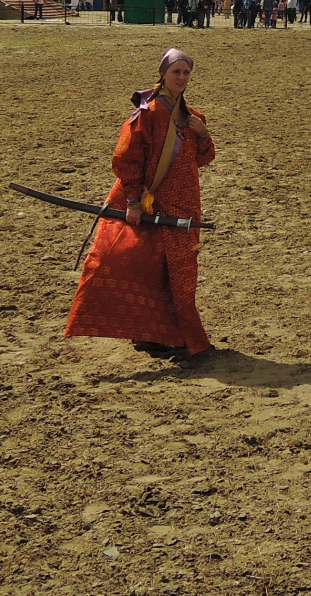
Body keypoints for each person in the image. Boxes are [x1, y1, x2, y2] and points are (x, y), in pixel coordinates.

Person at [65, 48, 215, 362]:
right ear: (163, 74)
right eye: (176, 72)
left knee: (178, 272)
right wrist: (133, 201)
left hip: (185, 208)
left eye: (186, 73)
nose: (181, 78)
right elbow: (126, 158)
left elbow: (204, 158)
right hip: (151, 205)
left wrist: (203, 135)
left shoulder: (194, 117)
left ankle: (166, 336)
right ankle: (169, 339)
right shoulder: (147, 114)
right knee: (146, 268)